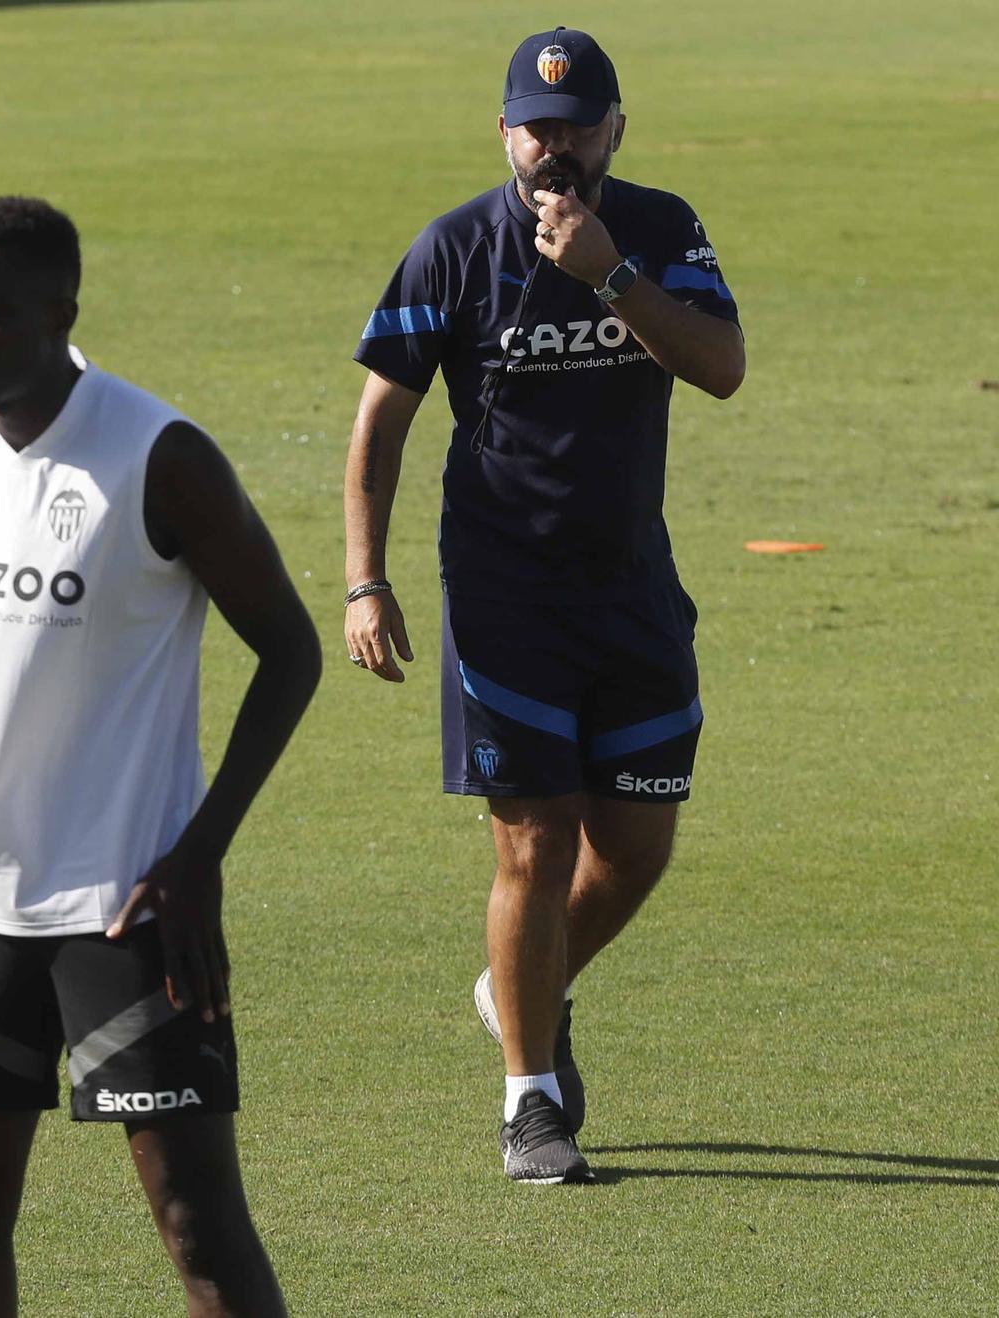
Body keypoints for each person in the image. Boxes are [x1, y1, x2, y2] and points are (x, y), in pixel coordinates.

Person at [0, 196, 321, 1316]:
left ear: (60, 313)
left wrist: (199, 852)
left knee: (196, 1226)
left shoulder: (155, 456)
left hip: (124, 909)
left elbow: (290, 653)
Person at [342, 27, 745, 1184]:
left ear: (616, 128)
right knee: (533, 840)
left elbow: (718, 367)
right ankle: (530, 1102)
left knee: (634, 846)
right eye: (532, 126)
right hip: (502, 592)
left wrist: (608, 275)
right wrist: (366, 579)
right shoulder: (453, 246)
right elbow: (381, 423)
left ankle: (524, 983)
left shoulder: (661, 229)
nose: (550, 148)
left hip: (630, 589)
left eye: (572, 126)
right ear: (503, 132)